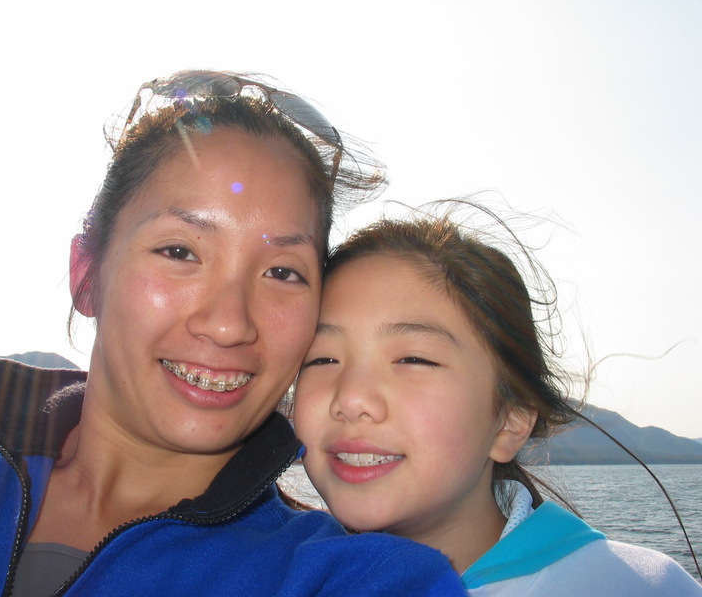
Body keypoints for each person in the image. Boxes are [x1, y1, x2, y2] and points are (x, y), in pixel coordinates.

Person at [0, 72, 466, 596]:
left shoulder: (352, 581)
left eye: (282, 272)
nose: (228, 324)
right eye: (179, 251)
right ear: (87, 275)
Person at [293, 205, 702, 596]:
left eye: (413, 359)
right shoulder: (279, 576)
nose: (352, 397)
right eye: (321, 358)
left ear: (509, 421)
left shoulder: (635, 586)